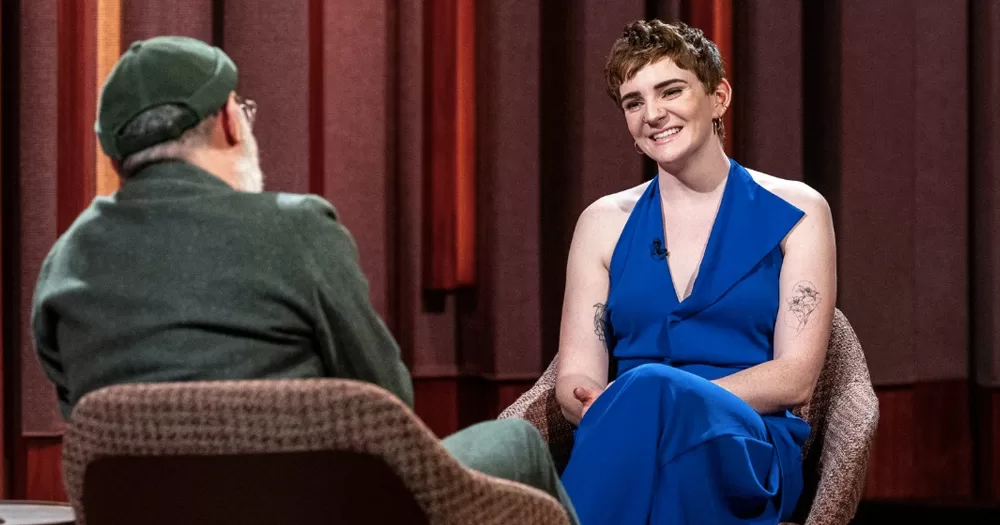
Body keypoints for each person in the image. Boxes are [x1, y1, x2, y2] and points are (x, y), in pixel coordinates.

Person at [31, 36, 578, 524]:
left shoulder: (65, 260)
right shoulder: (295, 227)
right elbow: (387, 398)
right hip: (320, 509)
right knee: (519, 443)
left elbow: (84, 418)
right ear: (226, 121)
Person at [554, 20, 836, 524]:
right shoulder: (601, 223)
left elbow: (796, 379)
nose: (653, 114)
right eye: (633, 102)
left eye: (671, 90)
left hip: (746, 441)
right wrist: (625, 408)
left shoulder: (799, 210)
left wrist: (664, 400)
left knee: (651, 391)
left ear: (719, 96)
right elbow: (574, 375)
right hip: (629, 437)